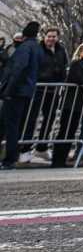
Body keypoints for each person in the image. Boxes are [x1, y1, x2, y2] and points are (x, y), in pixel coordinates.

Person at [52, 43, 83, 167]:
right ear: (80, 52)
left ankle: (63, 159)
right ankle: (57, 158)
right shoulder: (76, 64)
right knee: (66, 130)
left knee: (72, 130)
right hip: (71, 102)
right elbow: (79, 79)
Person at [0, 22, 41, 170]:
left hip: (16, 90)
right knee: (9, 124)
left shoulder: (25, 48)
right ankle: (9, 158)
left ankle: (9, 159)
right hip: (26, 90)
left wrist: (8, 89)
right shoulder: (37, 48)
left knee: (10, 125)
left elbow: (18, 68)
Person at [30, 27, 68, 159]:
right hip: (38, 88)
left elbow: (64, 66)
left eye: (54, 36)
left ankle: (42, 147)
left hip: (53, 90)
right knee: (31, 118)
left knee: (50, 118)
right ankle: (25, 148)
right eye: (49, 36)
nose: (51, 39)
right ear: (44, 36)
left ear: (57, 38)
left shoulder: (61, 50)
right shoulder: (38, 49)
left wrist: (62, 82)